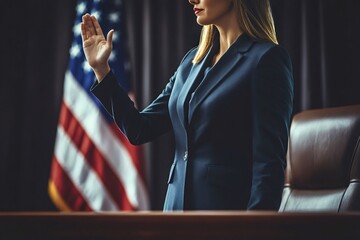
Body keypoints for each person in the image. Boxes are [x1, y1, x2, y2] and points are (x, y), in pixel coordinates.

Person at [80, 0, 294, 211]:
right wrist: (102, 70)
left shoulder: (266, 59)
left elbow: (269, 167)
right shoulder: (192, 61)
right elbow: (139, 128)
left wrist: (255, 231)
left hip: (225, 220)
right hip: (175, 213)